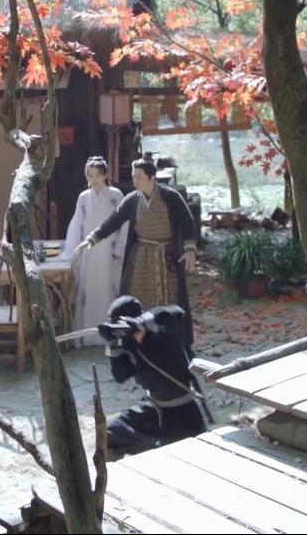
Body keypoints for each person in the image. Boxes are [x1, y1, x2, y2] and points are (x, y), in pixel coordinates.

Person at [74, 159, 198, 345]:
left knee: (171, 298)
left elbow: (187, 221)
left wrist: (189, 250)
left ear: (152, 177)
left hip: (166, 256)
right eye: (133, 177)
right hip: (140, 257)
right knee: (137, 297)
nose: (134, 181)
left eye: (138, 177)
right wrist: (92, 238)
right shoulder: (132, 199)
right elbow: (114, 220)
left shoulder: (170, 197)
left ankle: (170, 341)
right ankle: (139, 341)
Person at [101, 295, 208, 455]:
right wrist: (111, 343)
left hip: (182, 412)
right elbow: (120, 376)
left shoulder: (165, 336)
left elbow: (177, 312)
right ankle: (153, 444)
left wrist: (142, 321)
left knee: (177, 453)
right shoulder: (130, 344)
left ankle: (157, 445)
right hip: (152, 407)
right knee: (109, 431)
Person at [63, 156, 127, 347]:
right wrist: (75, 249)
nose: (94, 179)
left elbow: (124, 223)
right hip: (89, 249)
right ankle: (88, 335)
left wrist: (119, 248)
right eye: (90, 175)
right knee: (88, 290)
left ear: (105, 175)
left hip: (109, 248)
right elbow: (77, 224)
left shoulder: (116, 195)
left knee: (109, 288)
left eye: (98, 175)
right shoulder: (83, 197)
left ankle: (109, 334)